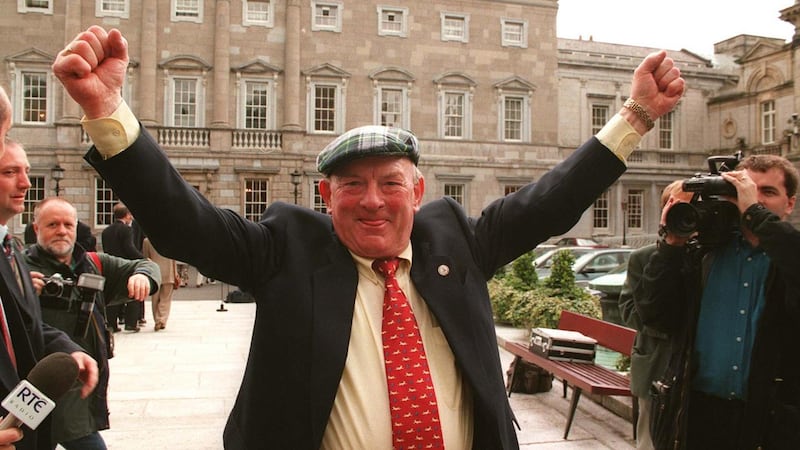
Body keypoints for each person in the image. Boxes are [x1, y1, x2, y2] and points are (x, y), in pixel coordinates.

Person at [53, 25, 684, 449]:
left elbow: (550, 203)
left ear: (419, 189)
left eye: (390, 181)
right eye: (351, 185)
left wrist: (633, 118)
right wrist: (108, 113)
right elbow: (183, 220)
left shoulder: (456, 239)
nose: (373, 199)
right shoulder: (286, 247)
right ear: (325, 197)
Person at [629, 154, 800, 449]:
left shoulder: (788, 256)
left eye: (767, 192)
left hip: (769, 419)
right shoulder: (703, 255)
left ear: (790, 203)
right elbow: (655, 317)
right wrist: (671, 245)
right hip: (699, 413)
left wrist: (756, 215)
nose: (752, 199)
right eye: (743, 191)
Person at [23, 196, 159, 449]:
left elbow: (145, 265)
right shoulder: (18, 268)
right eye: (52, 225)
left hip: (79, 386)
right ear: (36, 229)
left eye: (67, 225)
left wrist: (142, 276)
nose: (61, 231)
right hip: (33, 384)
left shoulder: (93, 264)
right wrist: (17, 293)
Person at [0, 132, 98, 448]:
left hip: (24, 422)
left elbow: (25, 329)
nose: (26, 183)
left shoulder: (10, 250)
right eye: (9, 172)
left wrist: (71, 349)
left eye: (26, 171)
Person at [618, 180, 693, 450]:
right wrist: (665, 320)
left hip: (695, 376)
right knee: (649, 442)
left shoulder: (711, 257)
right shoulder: (644, 257)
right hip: (655, 368)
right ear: (665, 212)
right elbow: (628, 311)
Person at [101, 202, 144, 332]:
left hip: (110, 265)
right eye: (130, 214)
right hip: (125, 265)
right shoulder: (126, 229)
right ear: (126, 215)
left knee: (112, 295)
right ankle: (131, 324)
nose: (131, 217)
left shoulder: (106, 231)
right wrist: (142, 259)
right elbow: (129, 248)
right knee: (132, 294)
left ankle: (111, 324)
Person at [141, 236, 176, 331]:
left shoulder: (147, 241)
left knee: (155, 299)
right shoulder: (169, 240)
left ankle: (157, 320)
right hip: (168, 272)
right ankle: (162, 319)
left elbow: (146, 258)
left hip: (154, 272)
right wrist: (175, 273)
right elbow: (174, 258)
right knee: (166, 298)